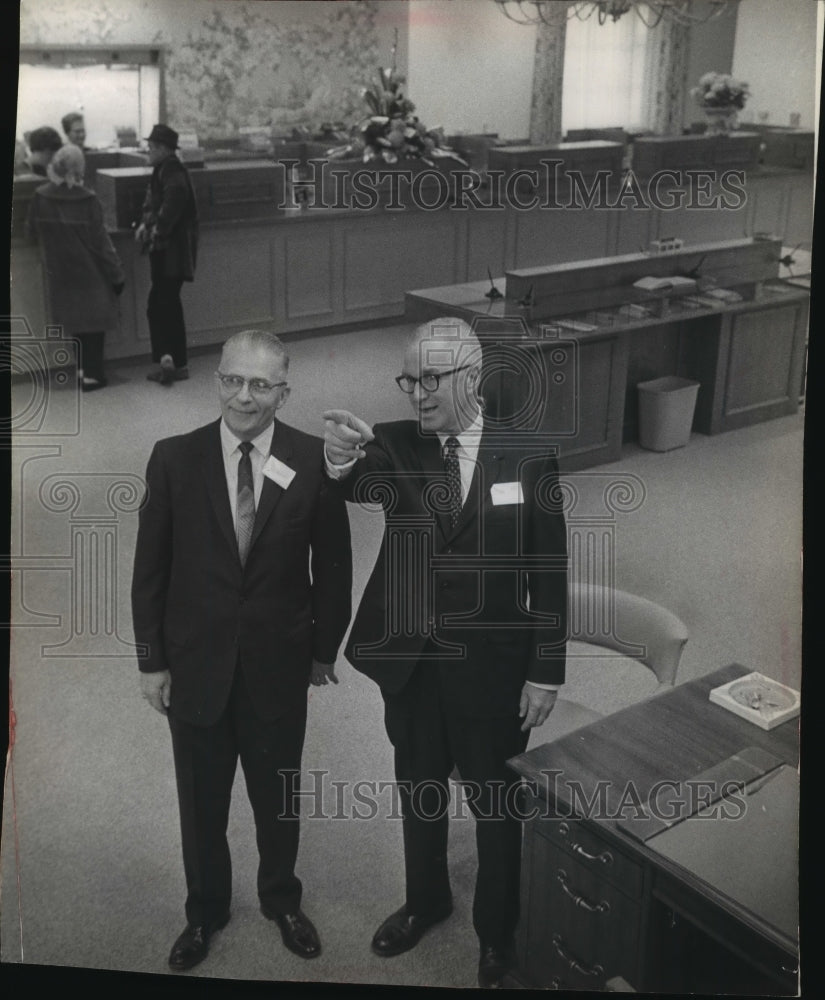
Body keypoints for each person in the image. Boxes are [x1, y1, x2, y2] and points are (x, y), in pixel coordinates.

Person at [324, 318, 568, 989]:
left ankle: (496, 938)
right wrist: (340, 457)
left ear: (471, 377)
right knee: (419, 787)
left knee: (495, 805)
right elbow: (350, 484)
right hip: (411, 659)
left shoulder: (527, 455)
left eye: (430, 380)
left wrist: (546, 669)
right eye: (409, 380)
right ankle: (426, 899)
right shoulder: (397, 444)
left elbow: (548, 568)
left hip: (491, 666)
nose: (417, 395)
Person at [131, 329, 352, 972]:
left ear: (284, 391)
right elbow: (151, 570)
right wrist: (151, 661)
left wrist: (323, 652)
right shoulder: (173, 458)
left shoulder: (313, 460)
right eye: (232, 380)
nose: (243, 397)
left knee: (277, 795)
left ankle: (281, 899)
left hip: (278, 664)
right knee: (201, 803)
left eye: (260, 384)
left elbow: (332, 568)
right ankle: (205, 913)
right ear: (217, 379)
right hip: (195, 665)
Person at [26, 144, 125, 391]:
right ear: (78, 169)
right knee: (95, 325)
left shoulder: (40, 196)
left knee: (76, 324)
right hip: (91, 273)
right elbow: (102, 243)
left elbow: (30, 233)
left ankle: (81, 370)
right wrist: (117, 274)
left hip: (61, 275)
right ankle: (92, 376)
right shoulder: (88, 199)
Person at [135, 123, 198, 386]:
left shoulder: (170, 168)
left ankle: (172, 361)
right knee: (164, 303)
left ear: (162, 149)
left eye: (151, 148)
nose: (148, 152)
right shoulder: (168, 166)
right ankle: (170, 359)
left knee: (163, 303)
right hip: (171, 249)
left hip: (169, 250)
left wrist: (157, 228)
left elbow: (175, 197)